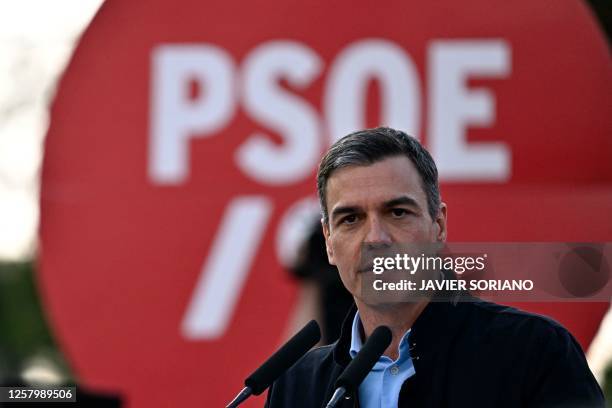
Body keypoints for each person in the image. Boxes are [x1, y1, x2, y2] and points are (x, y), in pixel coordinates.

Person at [265, 127, 604, 407]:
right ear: (328, 241)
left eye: (397, 212)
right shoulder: (297, 385)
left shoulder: (534, 352)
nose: (376, 239)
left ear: (438, 226)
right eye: (350, 219)